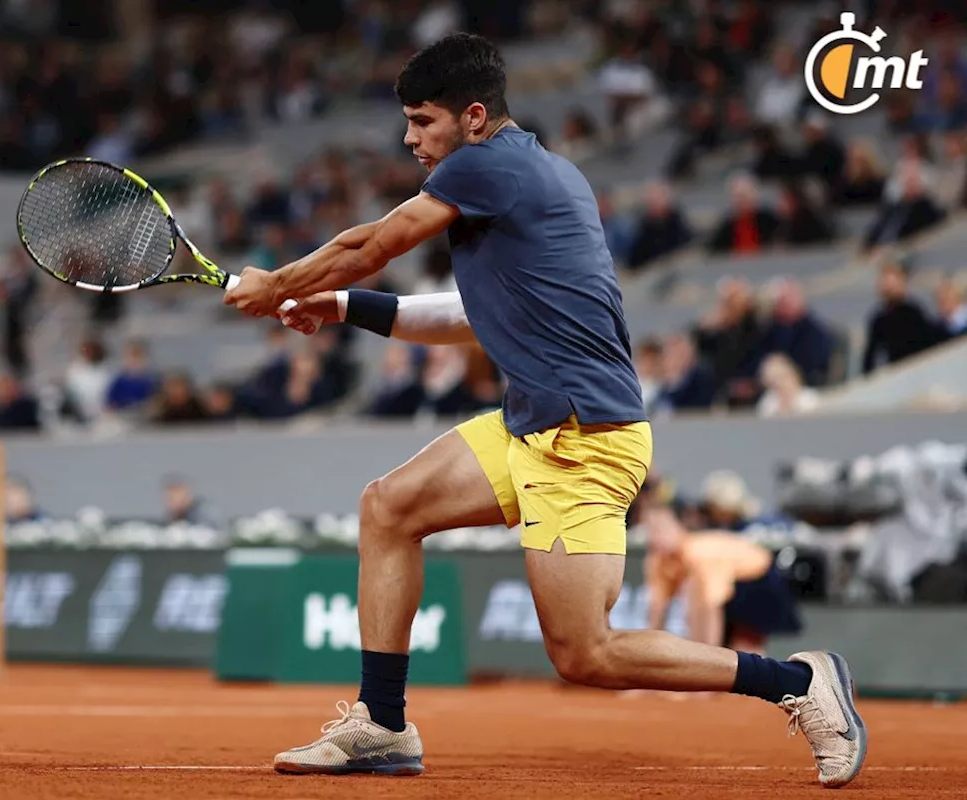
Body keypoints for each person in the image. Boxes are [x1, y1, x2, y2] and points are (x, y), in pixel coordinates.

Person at [223, 33, 865, 787]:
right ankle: (382, 723)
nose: (408, 139)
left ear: (471, 117)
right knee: (388, 508)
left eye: (421, 121)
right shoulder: (537, 171)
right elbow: (472, 314)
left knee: (585, 653)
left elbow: (375, 241)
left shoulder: (487, 166)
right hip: (533, 423)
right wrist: (334, 305)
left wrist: (279, 283)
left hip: (584, 439)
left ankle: (795, 682)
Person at [642, 503, 802, 656]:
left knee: (744, 647)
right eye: (650, 530)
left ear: (678, 526)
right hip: (728, 584)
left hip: (757, 579)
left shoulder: (700, 555)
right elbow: (657, 608)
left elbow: (711, 606)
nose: (656, 536)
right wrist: (650, 652)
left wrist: (707, 657)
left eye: (661, 529)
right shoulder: (657, 561)